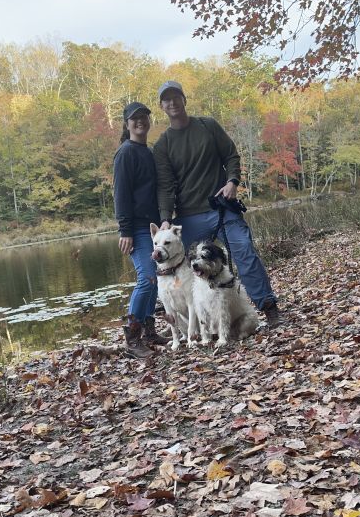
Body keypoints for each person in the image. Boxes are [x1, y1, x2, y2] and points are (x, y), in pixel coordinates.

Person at [153, 81, 282, 327]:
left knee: (244, 251)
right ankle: (192, 322)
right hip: (188, 216)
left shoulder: (207, 126)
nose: (172, 103)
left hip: (221, 207)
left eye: (176, 97)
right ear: (161, 106)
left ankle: (268, 307)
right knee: (180, 264)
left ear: (184, 99)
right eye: (166, 100)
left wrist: (233, 181)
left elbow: (231, 155)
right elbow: (165, 186)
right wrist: (165, 217)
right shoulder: (162, 145)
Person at [113, 101, 169, 357]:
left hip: (153, 228)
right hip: (135, 228)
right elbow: (121, 194)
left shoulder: (146, 151)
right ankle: (132, 339)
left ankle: (149, 332)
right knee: (146, 279)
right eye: (135, 118)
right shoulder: (126, 153)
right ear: (127, 124)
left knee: (154, 280)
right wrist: (125, 230)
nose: (141, 121)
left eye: (145, 117)